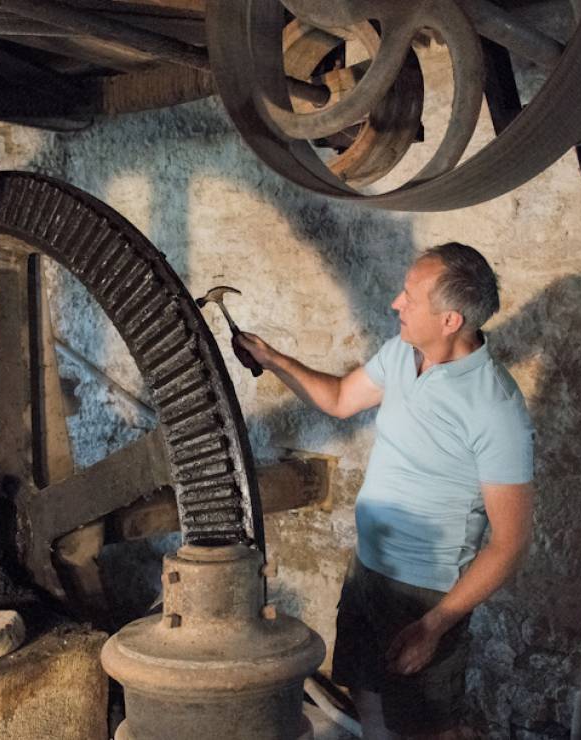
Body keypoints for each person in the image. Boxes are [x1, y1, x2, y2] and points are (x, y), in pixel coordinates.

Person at [238, 243, 535, 740]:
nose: (396, 304)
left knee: (425, 727)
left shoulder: (495, 408)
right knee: (369, 699)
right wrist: (272, 359)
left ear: (449, 321)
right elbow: (337, 399)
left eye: (410, 297)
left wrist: (436, 624)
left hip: (424, 593)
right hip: (369, 571)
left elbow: (510, 544)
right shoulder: (402, 353)